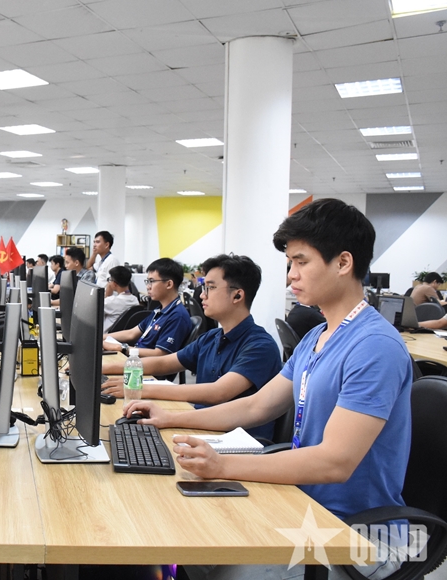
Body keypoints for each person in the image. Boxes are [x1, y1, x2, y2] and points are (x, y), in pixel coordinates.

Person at [125, 199, 412, 580]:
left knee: (225, 569)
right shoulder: (317, 336)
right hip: (300, 504)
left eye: (301, 262)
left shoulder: (374, 346)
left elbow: (335, 462)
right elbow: (256, 406)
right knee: (178, 537)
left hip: (355, 533)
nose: (291, 275)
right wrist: (168, 419)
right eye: (290, 264)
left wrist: (222, 465)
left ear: (343, 263)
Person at [103, 254, 282, 440]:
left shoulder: (260, 346)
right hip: (203, 428)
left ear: (237, 295)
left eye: (210, 288)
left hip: (235, 442)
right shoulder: (211, 338)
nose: (202, 295)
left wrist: (138, 388)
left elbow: (218, 392)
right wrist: (103, 368)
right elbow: (163, 363)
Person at [102, 259, 191, 358]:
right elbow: (131, 333)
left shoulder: (177, 316)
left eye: (151, 281)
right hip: (135, 358)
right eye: (147, 282)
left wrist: (123, 348)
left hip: (145, 364)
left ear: (169, 284)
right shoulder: (159, 310)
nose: (148, 287)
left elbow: (161, 354)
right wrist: (100, 338)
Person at [103, 266, 141, 330]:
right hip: (125, 334)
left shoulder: (110, 301)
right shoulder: (135, 300)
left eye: (110, 280)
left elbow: (98, 311)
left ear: (114, 284)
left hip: (107, 334)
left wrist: (107, 293)